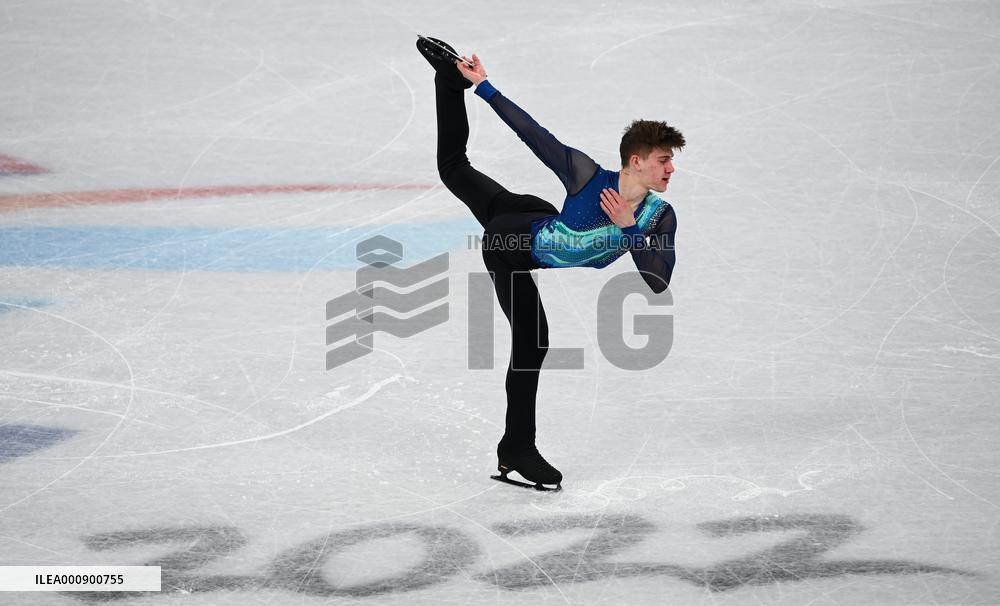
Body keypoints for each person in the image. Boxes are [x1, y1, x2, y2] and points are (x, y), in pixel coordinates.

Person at [416, 36, 684, 491]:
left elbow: (657, 282)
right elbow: (535, 136)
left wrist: (628, 228)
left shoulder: (658, 216)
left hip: (534, 213)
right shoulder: (586, 176)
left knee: (456, 170)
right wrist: (483, 86)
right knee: (534, 340)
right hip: (509, 243)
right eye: (663, 161)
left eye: (671, 162)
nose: (670, 169)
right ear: (636, 161)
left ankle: (445, 80)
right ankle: (517, 449)